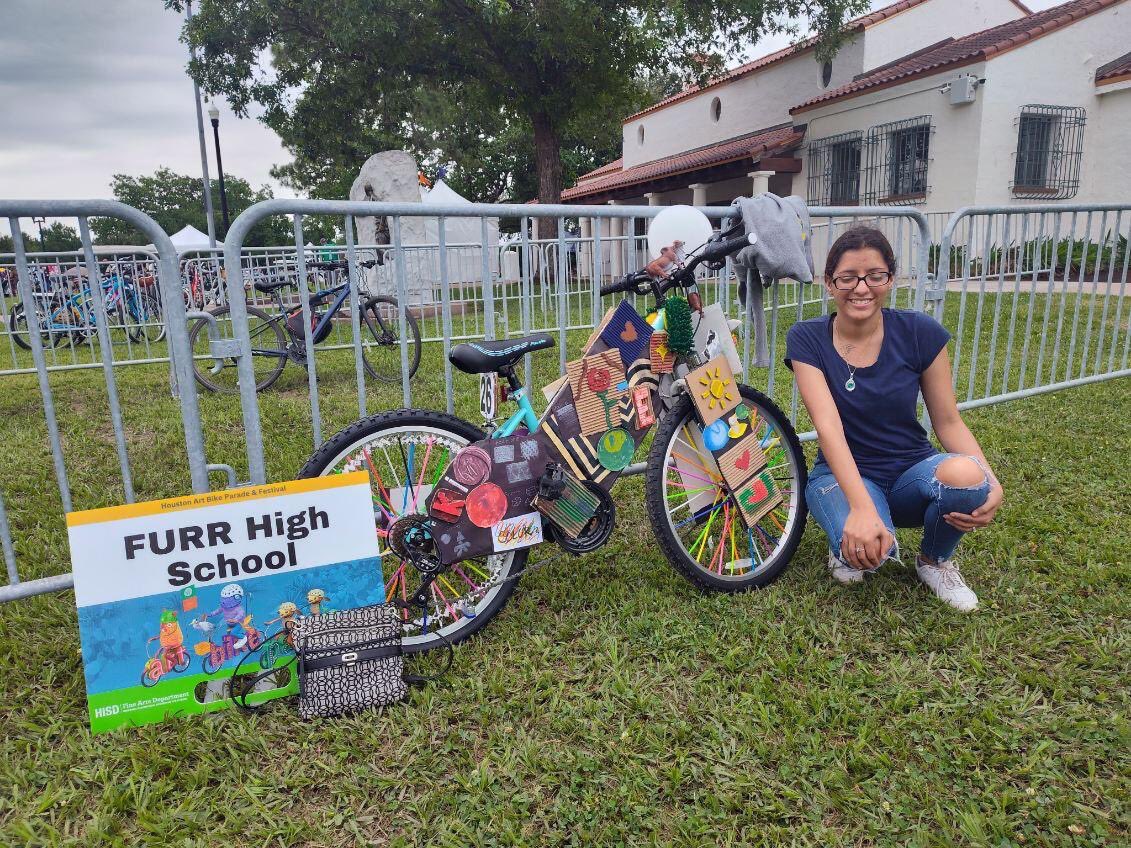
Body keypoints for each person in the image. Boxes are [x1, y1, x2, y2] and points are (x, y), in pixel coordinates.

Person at [784, 227, 1003, 611]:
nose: (861, 288)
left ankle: (934, 561)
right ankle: (849, 538)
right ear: (829, 284)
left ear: (892, 279)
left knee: (969, 478)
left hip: (910, 473)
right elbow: (829, 429)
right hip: (840, 477)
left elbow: (948, 421)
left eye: (875, 276)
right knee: (865, 553)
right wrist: (862, 508)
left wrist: (991, 481)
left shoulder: (920, 332)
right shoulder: (807, 338)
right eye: (848, 277)